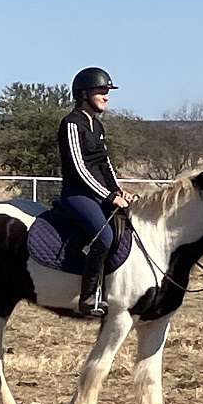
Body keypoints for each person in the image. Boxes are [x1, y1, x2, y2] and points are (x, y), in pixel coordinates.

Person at [58, 67, 134, 317]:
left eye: (107, 92)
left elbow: (104, 163)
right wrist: (109, 196)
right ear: (84, 93)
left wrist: (119, 190)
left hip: (99, 193)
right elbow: (79, 168)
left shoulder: (98, 126)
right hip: (77, 195)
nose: (106, 96)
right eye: (101, 91)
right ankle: (88, 297)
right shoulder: (71, 123)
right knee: (103, 236)